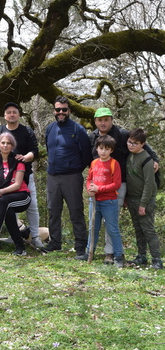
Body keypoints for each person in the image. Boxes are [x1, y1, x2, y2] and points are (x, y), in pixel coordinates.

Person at [89, 107, 160, 264]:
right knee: (97, 221)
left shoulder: (122, 134)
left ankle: (110, 252)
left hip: (120, 184)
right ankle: (91, 250)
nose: (103, 123)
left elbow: (141, 143)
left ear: (111, 120)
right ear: (95, 121)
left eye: (106, 119)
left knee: (111, 220)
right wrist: (89, 182)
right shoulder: (92, 137)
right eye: (100, 120)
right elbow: (89, 159)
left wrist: (154, 159)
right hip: (98, 186)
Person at [43, 96, 92, 256]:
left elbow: (87, 155)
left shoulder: (78, 130)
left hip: (72, 177)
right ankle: (55, 243)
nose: (61, 112)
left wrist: (74, 169)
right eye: (58, 109)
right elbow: (49, 150)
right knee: (53, 211)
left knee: (76, 212)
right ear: (54, 111)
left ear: (69, 111)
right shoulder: (50, 128)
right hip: (52, 177)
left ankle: (80, 247)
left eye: (64, 109)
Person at [0, 102, 42, 249]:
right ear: (5, 116)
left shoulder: (26, 131)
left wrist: (24, 158)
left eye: (14, 112)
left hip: (24, 174)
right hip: (4, 175)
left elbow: (34, 151)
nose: (12, 114)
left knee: (32, 205)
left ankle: (36, 236)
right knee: (8, 205)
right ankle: (15, 235)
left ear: (19, 114)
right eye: (9, 112)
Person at [75, 135, 124, 267]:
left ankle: (119, 255)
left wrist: (99, 189)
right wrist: (89, 189)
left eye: (106, 149)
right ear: (96, 148)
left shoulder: (114, 164)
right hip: (94, 202)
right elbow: (89, 179)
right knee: (93, 228)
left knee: (112, 229)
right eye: (101, 148)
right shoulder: (94, 163)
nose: (103, 151)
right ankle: (89, 252)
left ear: (111, 150)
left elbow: (116, 184)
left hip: (109, 202)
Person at [0, 133, 31, 256]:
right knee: (8, 213)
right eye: (3, 143)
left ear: (12, 146)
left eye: (8, 143)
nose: (5, 145)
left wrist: (0, 192)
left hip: (22, 196)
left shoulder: (18, 161)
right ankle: (20, 247)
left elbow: (17, 185)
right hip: (7, 199)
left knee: (3, 201)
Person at [125, 128, 163, 270]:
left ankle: (157, 259)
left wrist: (143, 204)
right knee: (138, 229)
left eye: (135, 143)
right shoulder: (130, 156)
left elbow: (149, 184)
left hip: (144, 200)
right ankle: (141, 256)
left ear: (142, 144)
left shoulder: (147, 159)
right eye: (129, 142)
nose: (131, 145)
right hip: (132, 199)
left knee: (148, 230)